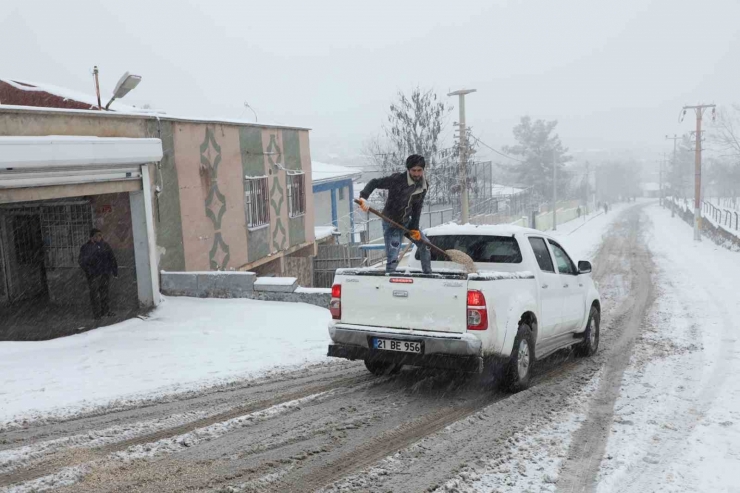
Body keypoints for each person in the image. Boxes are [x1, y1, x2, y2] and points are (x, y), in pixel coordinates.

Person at [358, 154, 432, 274]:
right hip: (391, 222)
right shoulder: (397, 180)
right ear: (408, 170)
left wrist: (414, 228)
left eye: (420, 170)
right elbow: (374, 182)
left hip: (406, 222)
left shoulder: (423, 185)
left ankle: (428, 274)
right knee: (393, 255)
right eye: (414, 170)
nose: (417, 174)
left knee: (425, 245)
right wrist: (363, 198)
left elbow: (417, 207)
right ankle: (390, 277)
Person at [78, 228, 118, 320]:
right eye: (98, 235)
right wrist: (90, 271)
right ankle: (97, 314)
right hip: (94, 275)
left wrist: (114, 270)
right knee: (95, 294)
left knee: (104, 293)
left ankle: (105, 311)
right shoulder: (86, 247)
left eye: (101, 235)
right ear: (92, 237)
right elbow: (82, 261)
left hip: (104, 273)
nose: (100, 237)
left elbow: (112, 257)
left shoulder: (105, 245)